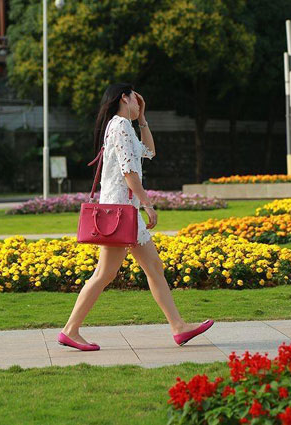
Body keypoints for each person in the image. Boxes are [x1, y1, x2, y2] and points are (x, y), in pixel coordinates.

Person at [57, 83, 214, 351]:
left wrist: (142, 119)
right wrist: (148, 204)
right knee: (105, 273)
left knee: (153, 267)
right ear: (124, 98)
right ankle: (70, 330)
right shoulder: (119, 126)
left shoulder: (122, 126)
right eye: (135, 100)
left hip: (122, 212)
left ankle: (178, 327)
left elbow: (149, 152)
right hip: (119, 213)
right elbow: (130, 172)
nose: (138, 105)